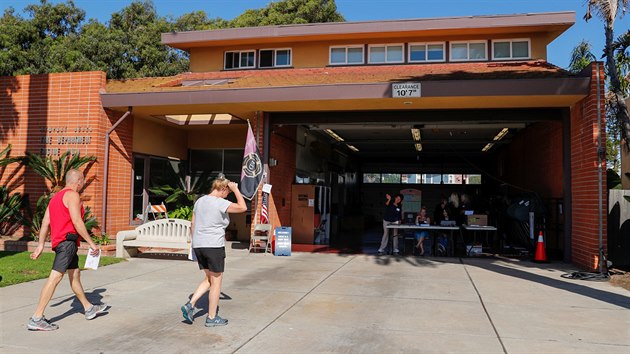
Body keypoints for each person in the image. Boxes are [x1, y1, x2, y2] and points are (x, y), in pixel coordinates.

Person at [28, 169, 107, 331]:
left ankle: (88, 308)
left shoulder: (55, 198)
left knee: (75, 276)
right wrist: (92, 243)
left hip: (63, 244)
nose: (83, 184)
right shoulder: (72, 195)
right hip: (67, 243)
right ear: (78, 181)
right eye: (83, 181)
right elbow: (77, 221)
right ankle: (36, 318)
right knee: (55, 278)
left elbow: (45, 223)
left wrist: (41, 245)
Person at [181, 177, 247, 327]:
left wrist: (193, 244)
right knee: (217, 282)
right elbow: (243, 208)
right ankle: (211, 317)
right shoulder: (220, 203)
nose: (227, 196)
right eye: (227, 193)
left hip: (199, 245)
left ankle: (190, 305)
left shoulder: (199, 201)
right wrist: (236, 189)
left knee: (210, 278)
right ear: (223, 189)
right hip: (213, 246)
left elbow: (193, 224)